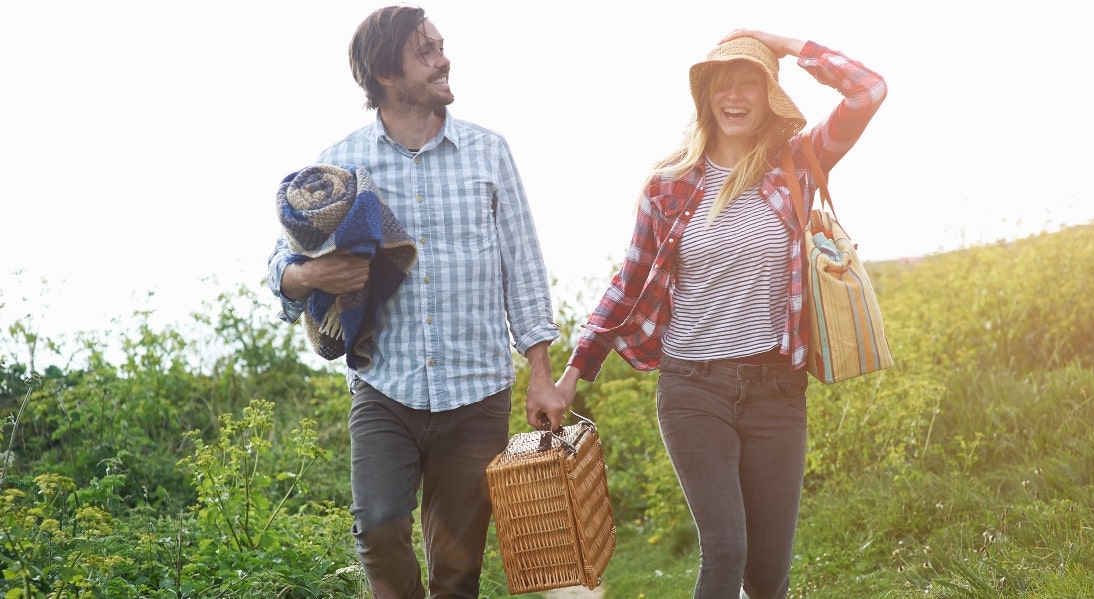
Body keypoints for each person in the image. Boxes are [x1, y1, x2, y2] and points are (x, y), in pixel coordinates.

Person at [554, 29, 887, 598]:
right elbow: (629, 281)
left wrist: (782, 45)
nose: (733, 96)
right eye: (721, 85)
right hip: (694, 387)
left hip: (777, 391)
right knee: (727, 548)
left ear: (769, 95)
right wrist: (572, 374)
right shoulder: (669, 184)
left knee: (767, 576)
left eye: (748, 83)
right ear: (705, 97)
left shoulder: (798, 163)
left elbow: (868, 91)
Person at [266, 5, 569, 598]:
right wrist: (310, 274)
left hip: (477, 393)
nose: (443, 59)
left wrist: (541, 374)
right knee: (378, 531)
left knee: (458, 573)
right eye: (425, 52)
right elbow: (281, 261)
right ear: (385, 74)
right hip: (386, 388)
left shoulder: (489, 151)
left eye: (440, 46)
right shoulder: (344, 162)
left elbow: (523, 264)